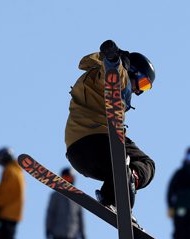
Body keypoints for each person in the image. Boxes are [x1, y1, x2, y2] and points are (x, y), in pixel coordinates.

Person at [65, 40, 156, 210]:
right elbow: (114, 76)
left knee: (131, 167)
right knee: (146, 163)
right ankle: (129, 179)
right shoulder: (116, 77)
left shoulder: (92, 75)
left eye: (146, 88)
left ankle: (111, 198)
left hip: (77, 154)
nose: (139, 92)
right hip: (98, 144)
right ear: (133, 70)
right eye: (143, 83)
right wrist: (114, 60)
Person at [0, 147, 29, 239]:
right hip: (14, 211)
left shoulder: (9, 170)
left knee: (4, 237)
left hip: (7, 210)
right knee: (8, 237)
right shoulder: (17, 170)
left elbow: (5, 192)